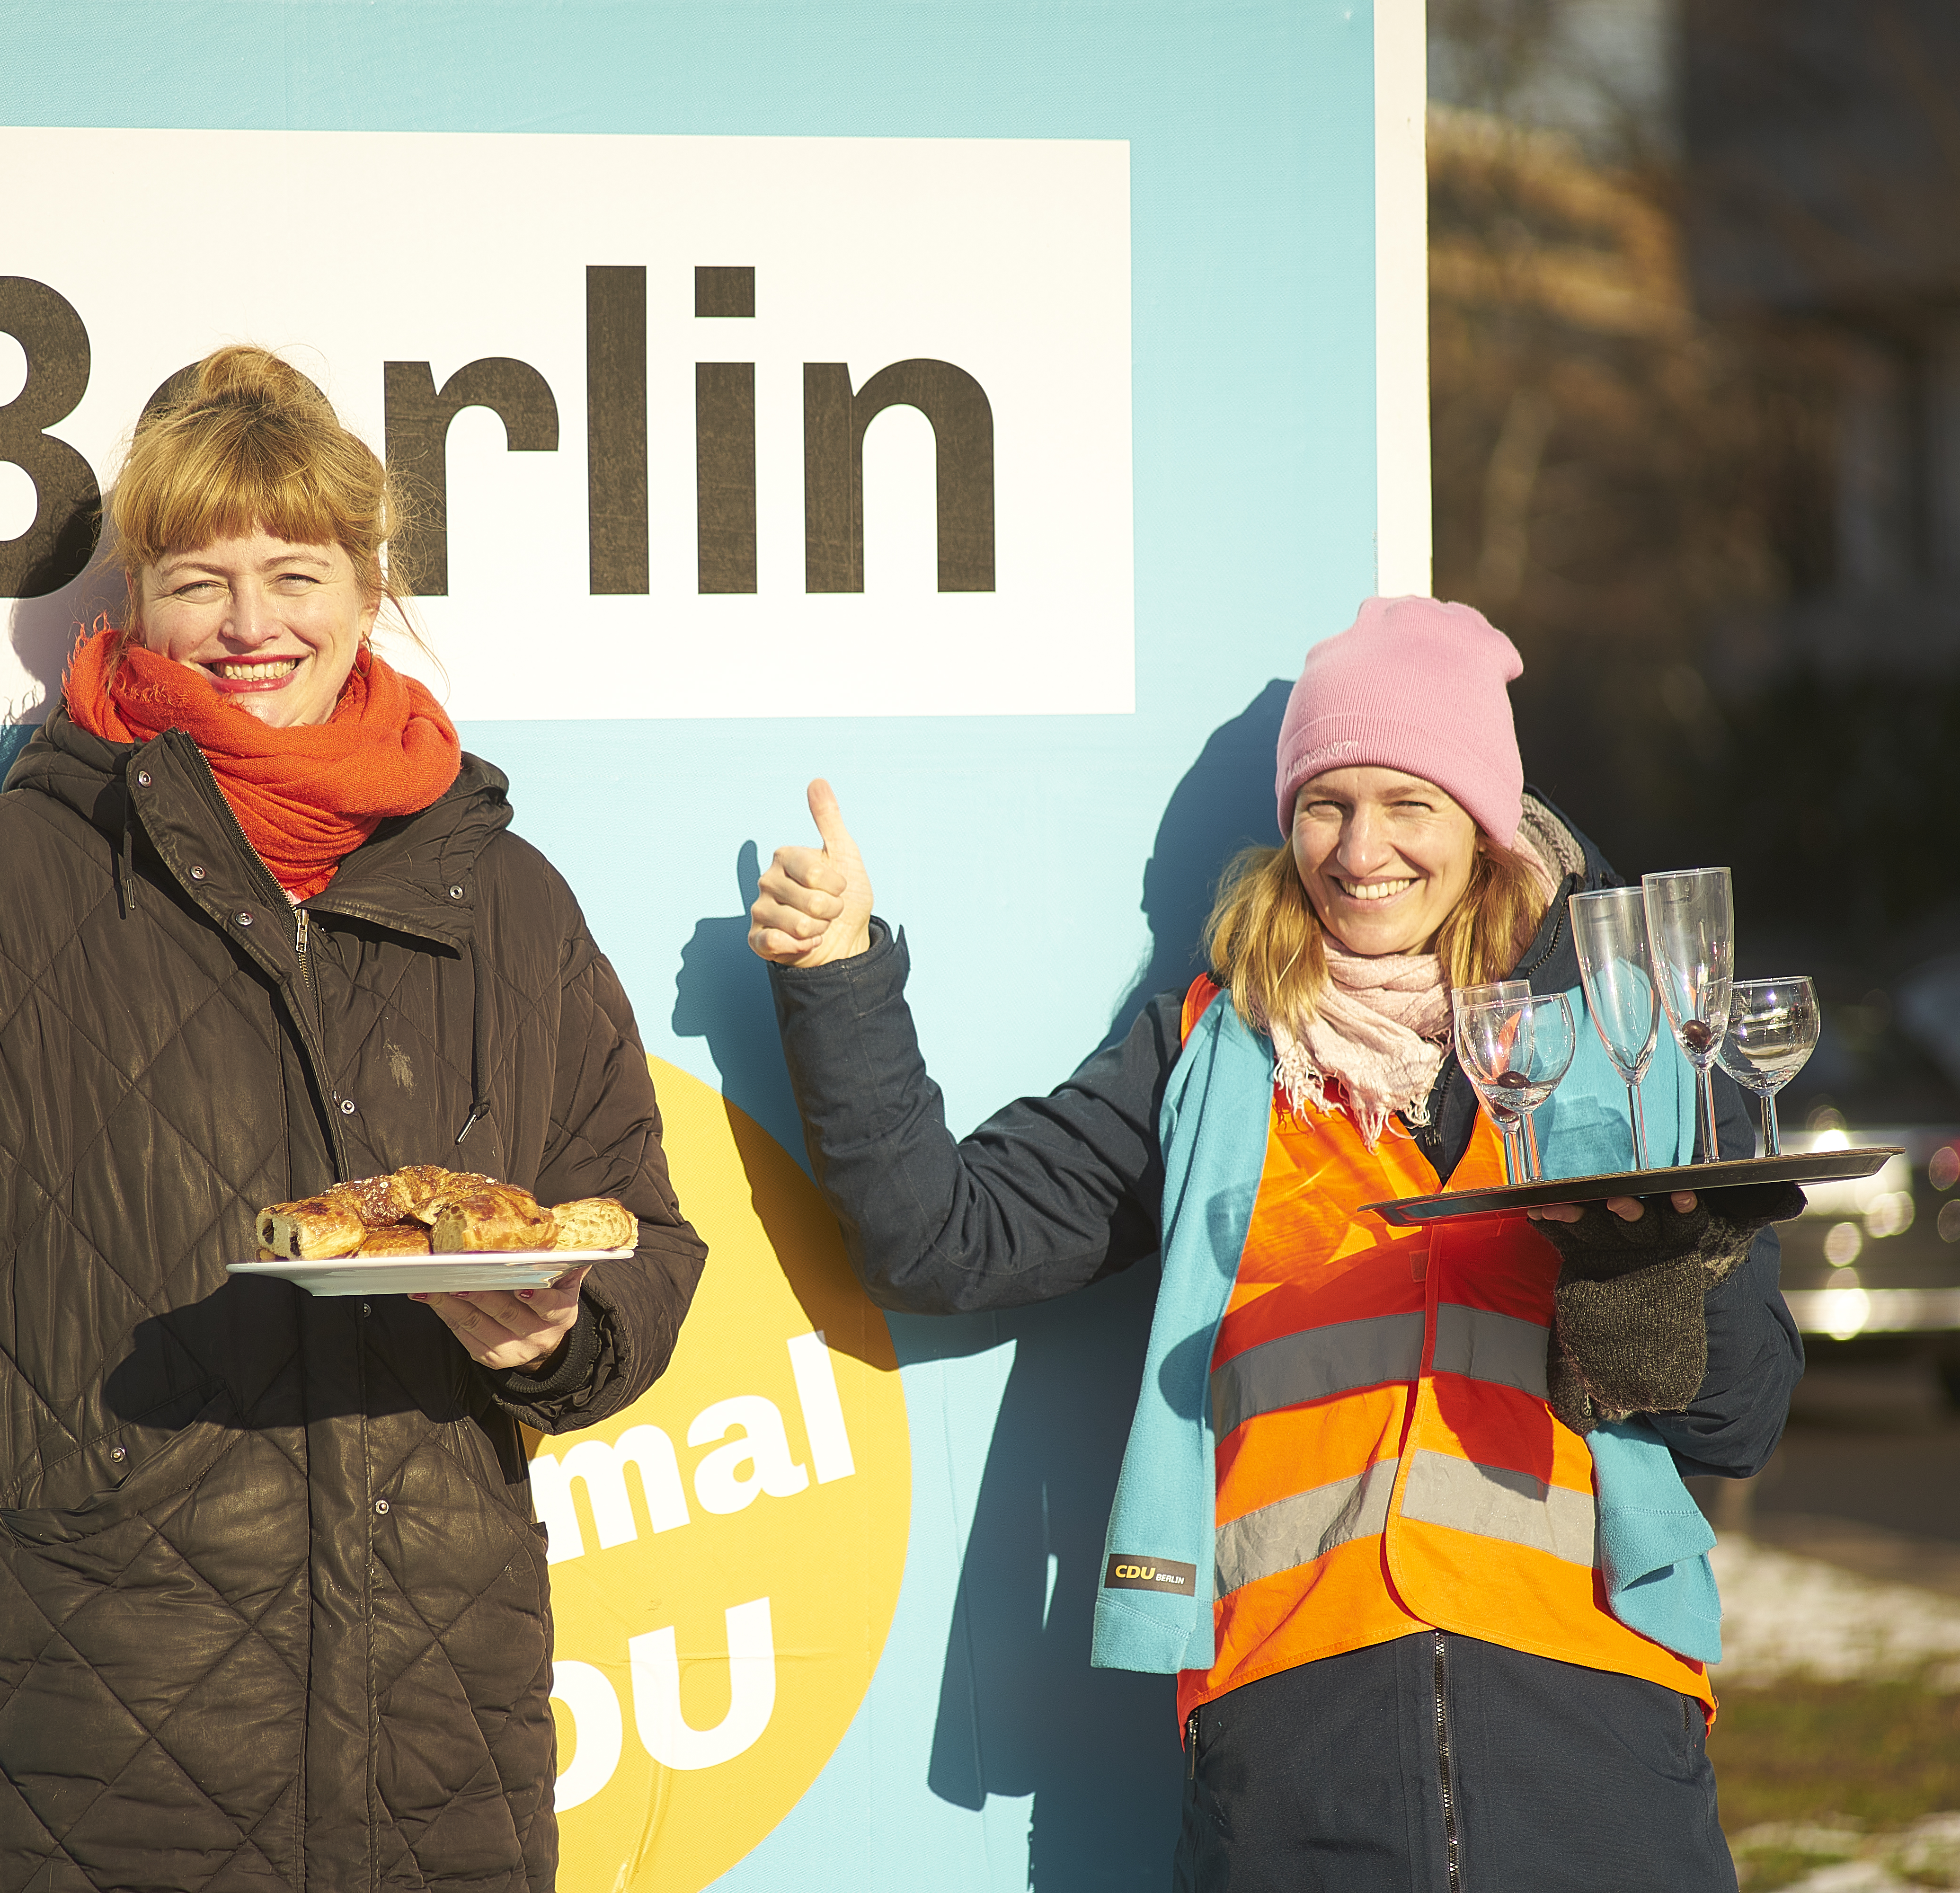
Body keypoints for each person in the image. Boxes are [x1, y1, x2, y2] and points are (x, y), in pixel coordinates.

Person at [0, 346, 706, 1893]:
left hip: (438, 1779)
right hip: (81, 1774)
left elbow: (638, 1226)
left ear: (372, 592)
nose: (250, 625)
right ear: (134, 604)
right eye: (198, 578)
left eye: (296, 573)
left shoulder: (501, 894)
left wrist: (554, 1338)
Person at [746, 596, 1800, 1891]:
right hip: (1297, 1750)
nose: (1362, 851)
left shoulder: (1624, 1042)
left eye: (1409, 804)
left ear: (1482, 822)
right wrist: (841, 976)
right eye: (1326, 804)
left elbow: (1743, 1421)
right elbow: (945, 1243)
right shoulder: (1211, 1050)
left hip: (1593, 1740)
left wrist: (1654, 1282)